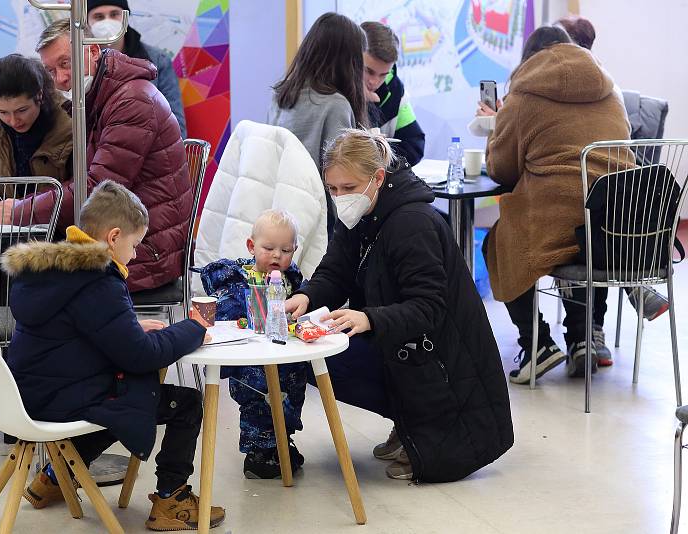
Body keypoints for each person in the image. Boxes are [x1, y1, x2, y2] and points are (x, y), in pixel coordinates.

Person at [284, 129, 513, 482]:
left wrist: (369, 319)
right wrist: (307, 296)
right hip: (405, 339)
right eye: (333, 189)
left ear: (377, 178)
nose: (340, 197)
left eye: (348, 188)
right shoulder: (360, 212)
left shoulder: (412, 224)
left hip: (441, 356)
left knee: (328, 361)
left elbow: (429, 307)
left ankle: (419, 426)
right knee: (308, 355)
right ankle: (408, 422)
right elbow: (336, 271)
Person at [2, 180, 225, 531]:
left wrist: (131, 325)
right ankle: (171, 499)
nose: (134, 255)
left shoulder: (53, 269)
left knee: (117, 400)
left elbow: (79, 329)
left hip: (26, 397)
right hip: (59, 402)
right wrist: (194, 327)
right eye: (134, 245)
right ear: (113, 237)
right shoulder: (97, 280)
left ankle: (54, 479)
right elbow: (140, 357)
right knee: (181, 402)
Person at [479, 26, 631, 383]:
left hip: (556, 224)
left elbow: (503, 168)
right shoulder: (610, 92)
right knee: (577, 233)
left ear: (529, 59)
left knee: (498, 242)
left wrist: (494, 128)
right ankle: (582, 340)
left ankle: (537, 345)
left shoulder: (524, 96)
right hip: (615, 226)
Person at [11, 19, 191, 294]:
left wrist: (17, 211)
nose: (60, 79)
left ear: (93, 51)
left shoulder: (132, 102)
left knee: (33, 286)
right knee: (24, 272)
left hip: (143, 250)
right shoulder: (103, 96)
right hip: (125, 236)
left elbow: (95, 190)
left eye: (65, 63)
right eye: (50, 70)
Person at [556, 14, 670, 335]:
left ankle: (587, 331)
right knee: (597, 219)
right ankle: (627, 291)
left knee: (573, 225)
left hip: (594, 201)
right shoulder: (607, 83)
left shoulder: (573, 89)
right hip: (626, 207)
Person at [194, 209, 306, 479]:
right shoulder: (238, 279)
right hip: (251, 362)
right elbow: (223, 318)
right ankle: (258, 454)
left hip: (285, 356)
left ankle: (282, 442)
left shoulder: (292, 279)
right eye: (268, 248)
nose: (277, 255)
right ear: (251, 246)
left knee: (289, 399)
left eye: (286, 250)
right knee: (257, 405)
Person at [267, 12, 368, 237]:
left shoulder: (280, 97)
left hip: (278, 215)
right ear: (347, 60)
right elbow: (343, 186)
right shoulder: (336, 105)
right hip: (318, 225)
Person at [0, 53, 72, 212]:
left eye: (22, 110)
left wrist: (24, 210)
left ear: (39, 95)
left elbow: (78, 190)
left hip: (56, 228)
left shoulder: (70, 120)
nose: (13, 120)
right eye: (3, 112)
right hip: (1, 228)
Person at [86, 0, 186, 137]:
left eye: (114, 14)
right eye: (98, 17)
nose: (107, 22)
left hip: (148, 152)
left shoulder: (157, 60)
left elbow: (176, 125)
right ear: (87, 22)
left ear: (126, 17)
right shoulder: (77, 63)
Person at [361, 21, 425, 166]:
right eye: (369, 71)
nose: (374, 82)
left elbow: (415, 145)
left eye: (383, 74)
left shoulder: (395, 88)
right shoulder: (335, 91)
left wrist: (381, 157)